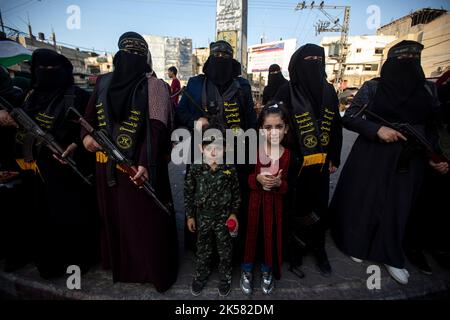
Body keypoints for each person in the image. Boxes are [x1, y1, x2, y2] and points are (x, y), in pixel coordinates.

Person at [330, 40, 449, 285]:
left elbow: (433, 127)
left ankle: (391, 255)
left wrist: (436, 157)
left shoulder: (428, 90)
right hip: (373, 154)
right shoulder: (373, 88)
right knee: (364, 200)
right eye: (401, 59)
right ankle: (356, 244)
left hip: (411, 158)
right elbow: (350, 117)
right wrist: (377, 130)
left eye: (412, 59)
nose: (407, 65)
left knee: (399, 206)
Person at [81, 32, 178, 292]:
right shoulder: (102, 82)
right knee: (114, 218)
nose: (133, 58)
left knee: (147, 222)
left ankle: (149, 270)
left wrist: (145, 162)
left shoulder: (155, 86)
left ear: (145, 57)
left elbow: (157, 127)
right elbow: (87, 120)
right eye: (128, 52)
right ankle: (121, 267)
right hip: (107, 168)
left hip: (140, 169)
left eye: (138, 53)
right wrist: (86, 139)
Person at [1, 49, 99, 279]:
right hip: (32, 172)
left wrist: (77, 143)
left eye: (52, 69)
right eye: (42, 69)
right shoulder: (27, 95)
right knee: (39, 219)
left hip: (66, 172)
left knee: (69, 219)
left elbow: (89, 127)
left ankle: (77, 261)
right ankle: (46, 261)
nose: (47, 73)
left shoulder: (77, 96)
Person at [175, 40, 256, 254]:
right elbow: (180, 113)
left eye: (225, 56)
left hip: (236, 152)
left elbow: (250, 121)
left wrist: (252, 154)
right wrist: (197, 121)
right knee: (201, 199)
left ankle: (233, 252)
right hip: (203, 152)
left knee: (233, 200)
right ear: (210, 58)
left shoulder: (243, 86)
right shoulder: (194, 83)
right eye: (216, 56)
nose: (221, 60)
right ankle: (202, 251)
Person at [275, 44, 342, 278]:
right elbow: (271, 123)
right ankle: (294, 249)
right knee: (294, 207)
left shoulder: (329, 90)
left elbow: (335, 126)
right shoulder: (286, 91)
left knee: (319, 207)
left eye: (318, 58)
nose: (314, 63)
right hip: (295, 164)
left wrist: (334, 156)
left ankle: (318, 247)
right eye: (308, 59)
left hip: (322, 163)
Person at [240, 102, 295, 295]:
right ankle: (246, 270)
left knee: (269, 240)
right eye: (268, 127)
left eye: (278, 127)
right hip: (252, 207)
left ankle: (267, 270)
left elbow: (292, 187)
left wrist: (280, 184)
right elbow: (242, 179)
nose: (273, 132)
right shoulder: (251, 151)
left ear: (286, 129)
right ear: (260, 130)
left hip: (276, 210)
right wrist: (256, 178)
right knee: (249, 238)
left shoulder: (290, 156)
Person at [404, 70, 450, 274]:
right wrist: (436, 156)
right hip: (436, 158)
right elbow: (432, 124)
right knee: (426, 206)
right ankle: (415, 247)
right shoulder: (439, 87)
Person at [184, 132, 240, 297]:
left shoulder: (229, 168)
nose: (213, 152)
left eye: (218, 148)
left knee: (225, 250)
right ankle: (201, 274)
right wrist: (190, 216)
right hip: (203, 217)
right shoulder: (196, 167)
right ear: (202, 148)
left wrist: (234, 214)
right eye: (209, 148)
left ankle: (225, 277)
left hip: (223, 218)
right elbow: (188, 192)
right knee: (203, 248)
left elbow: (236, 194)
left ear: (225, 148)